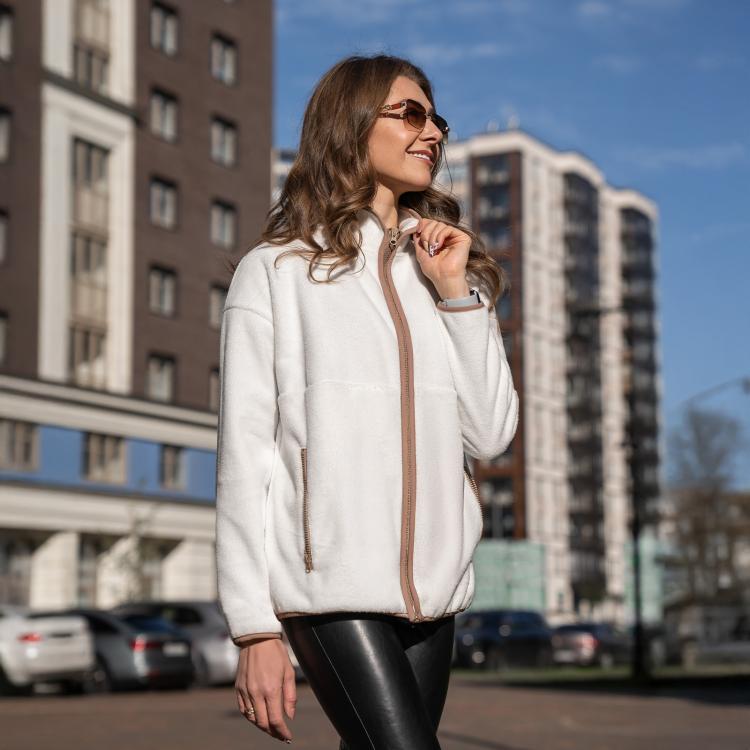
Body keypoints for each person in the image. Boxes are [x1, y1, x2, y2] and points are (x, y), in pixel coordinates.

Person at [214, 54, 519, 748]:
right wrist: (254, 627)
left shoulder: (449, 273)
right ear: (350, 124)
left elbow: (491, 433)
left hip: (434, 594)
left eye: (436, 120)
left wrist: (455, 294)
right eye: (410, 114)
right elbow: (244, 460)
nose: (432, 133)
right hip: (331, 591)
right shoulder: (278, 272)